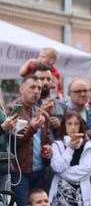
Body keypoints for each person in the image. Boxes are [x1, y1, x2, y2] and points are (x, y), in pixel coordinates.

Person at [10, 75, 52, 206]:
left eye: (39, 88)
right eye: (32, 87)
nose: (37, 91)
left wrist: (49, 148)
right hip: (19, 172)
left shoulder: (42, 113)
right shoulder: (12, 110)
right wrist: (32, 128)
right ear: (21, 89)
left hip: (39, 171)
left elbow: (47, 140)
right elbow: (12, 145)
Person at [49, 111, 91, 206]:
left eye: (76, 124)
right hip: (61, 194)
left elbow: (87, 170)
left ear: (80, 126)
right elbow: (57, 167)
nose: (73, 127)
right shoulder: (57, 144)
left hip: (81, 194)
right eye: (69, 124)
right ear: (64, 126)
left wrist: (64, 172)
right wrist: (70, 149)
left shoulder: (87, 145)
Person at [34, 65, 66, 135]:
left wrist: (60, 125)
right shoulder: (27, 104)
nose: (46, 82)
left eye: (48, 79)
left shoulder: (61, 105)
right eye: (41, 79)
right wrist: (40, 112)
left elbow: (70, 130)